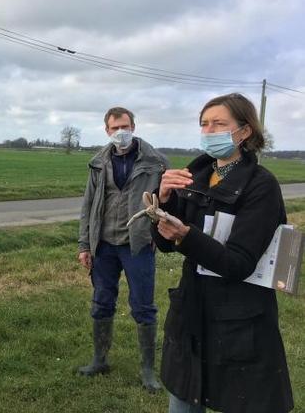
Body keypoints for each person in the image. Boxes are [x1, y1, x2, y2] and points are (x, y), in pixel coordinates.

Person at [152, 93, 293, 413]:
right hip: (192, 310)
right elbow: (163, 244)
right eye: (204, 124)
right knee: (183, 401)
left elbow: (239, 263)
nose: (209, 130)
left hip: (240, 318)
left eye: (219, 124)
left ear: (244, 132)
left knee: (242, 399)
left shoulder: (261, 185)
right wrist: (164, 202)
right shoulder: (196, 176)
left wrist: (187, 237)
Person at [77, 107, 169, 391]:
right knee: (102, 301)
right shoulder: (97, 162)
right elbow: (88, 205)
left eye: (126, 125)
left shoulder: (156, 163)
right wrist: (84, 244)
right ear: (106, 130)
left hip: (137, 244)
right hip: (103, 244)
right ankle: (100, 360)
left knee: (143, 307)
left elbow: (168, 202)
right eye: (115, 127)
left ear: (134, 126)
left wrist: (158, 231)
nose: (121, 131)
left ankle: (148, 372)